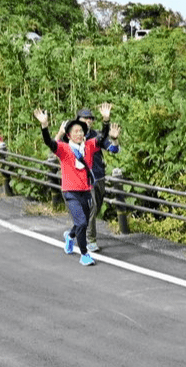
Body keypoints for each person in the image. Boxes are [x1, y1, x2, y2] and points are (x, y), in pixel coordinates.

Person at [33, 103, 121, 266]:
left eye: (81, 131)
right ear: (69, 134)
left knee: (84, 221)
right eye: (76, 131)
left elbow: (102, 139)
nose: (80, 133)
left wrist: (106, 120)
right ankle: (84, 253)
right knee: (81, 222)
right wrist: (44, 125)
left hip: (86, 190)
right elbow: (48, 142)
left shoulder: (89, 145)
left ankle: (70, 236)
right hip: (70, 191)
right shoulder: (63, 148)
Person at [54, 107, 120, 253]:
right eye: (85, 118)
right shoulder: (70, 137)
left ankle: (71, 234)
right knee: (92, 209)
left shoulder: (96, 136)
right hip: (82, 182)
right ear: (77, 120)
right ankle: (90, 240)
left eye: (90, 118)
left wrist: (114, 140)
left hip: (99, 177)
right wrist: (60, 132)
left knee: (92, 211)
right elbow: (55, 147)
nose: (88, 121)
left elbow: (113, 150)